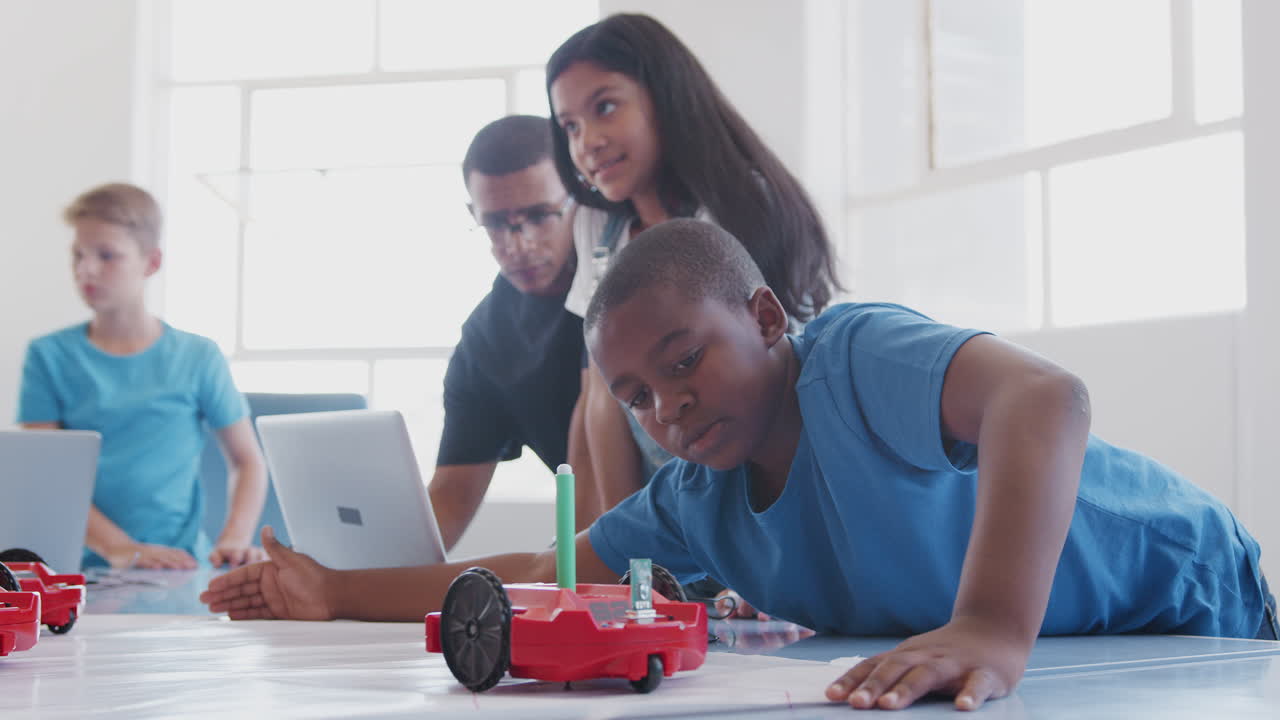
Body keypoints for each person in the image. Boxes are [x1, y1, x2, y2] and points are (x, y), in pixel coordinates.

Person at [201, 219, 1275, 712]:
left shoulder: (850, 359)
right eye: (635, 398)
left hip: (1184, 588)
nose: (667, 409)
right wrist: (334, 592)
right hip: (1086, 653)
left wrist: (990, 625)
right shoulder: (696, 500)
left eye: (684, 363)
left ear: (764, 317)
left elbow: (1045, 399)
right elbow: (548, 561)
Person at [546, 12, 841, 508]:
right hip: (667, 503)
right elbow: (601, 398)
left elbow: (775, 397)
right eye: (570, 126)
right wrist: (619, 534)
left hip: (767, 491)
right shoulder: (595, 226)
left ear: (666, 98)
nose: (587, 142)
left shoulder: (741, 209)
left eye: (606, 107)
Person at [17, 183, 268, 569]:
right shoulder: (49, 356)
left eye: (107, 256)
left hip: (180, 566)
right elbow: (46, 476)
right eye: (78, 255)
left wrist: (234, 539)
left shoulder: (198, 356)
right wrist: (121, 548)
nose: (87, 269)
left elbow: (248, 460)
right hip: (79, 567)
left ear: (151, 263)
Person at [427, 115, 598, 550]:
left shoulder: (625, 295)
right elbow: (450, 497)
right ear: (474, 214)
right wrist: (353, 573)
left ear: (576, 198)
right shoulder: (486, 339)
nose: (517, 243)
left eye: (540, 216)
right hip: (599, 557)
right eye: (496, 223)